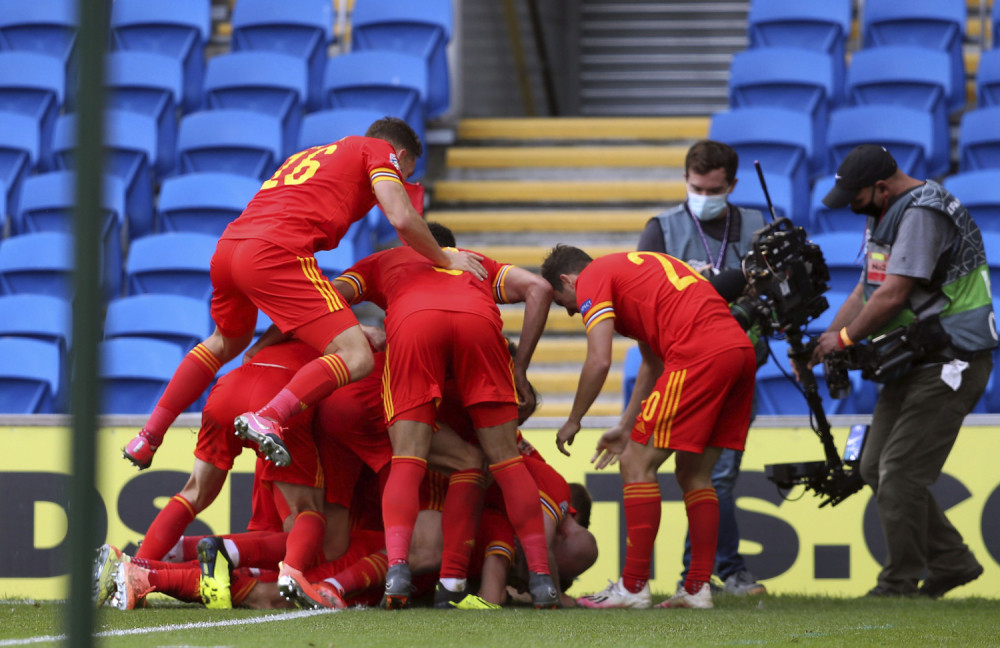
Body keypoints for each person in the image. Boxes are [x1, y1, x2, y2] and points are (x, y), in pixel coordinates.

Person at [122, 116, 485, 472]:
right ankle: (270, 417)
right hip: (275, 253)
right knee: (356, 356)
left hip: (230, 248)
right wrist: (445, 260)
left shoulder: (312, 155)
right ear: (402, 155)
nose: (406, 178)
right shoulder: (377, 150)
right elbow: (402, 218)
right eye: (407, 171)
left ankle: (148, 435)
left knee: (224, 342)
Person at [332, 224, 560, 609]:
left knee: (408, 459)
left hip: (415, 325)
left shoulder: (385, 259)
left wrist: (358, 330)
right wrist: (519, 369)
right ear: (450, 247)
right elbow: (541, 288)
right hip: (478, 324)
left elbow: (325, 295)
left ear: (412, 242)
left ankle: (399, 571)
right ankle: (542, 580)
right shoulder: (473, 260)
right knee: (506, 459)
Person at [810, 144, 995, 598]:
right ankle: (951, 562)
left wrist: (848, 340)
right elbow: (866, 288)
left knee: (900, 474)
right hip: (916, 357)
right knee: (875, 467)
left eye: (855, 198)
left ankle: (897, 582)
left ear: (880, 187)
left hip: (953, 359)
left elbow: (892, 296)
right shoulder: (888, 211)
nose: (852, 208)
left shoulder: (922, 215)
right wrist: (824, 344)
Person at [541, 245, 756, 609]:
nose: (574, 311)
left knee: (635, 463)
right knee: (695, 474)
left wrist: (574, 418)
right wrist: (625, 427)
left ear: (567, 279)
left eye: (568, 304)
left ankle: (633, 586)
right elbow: (652, 364)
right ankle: (697, 589)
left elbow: (599, 359)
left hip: (698, 354)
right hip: (738, 352)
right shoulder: (634, 273)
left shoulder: (593, 278)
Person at [637, 139, 767, 596]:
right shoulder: (662, 229)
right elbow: (645, 302)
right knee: (668, 469)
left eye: (713, 189)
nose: (703, 195)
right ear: (686, 181)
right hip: (680, 371)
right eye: (696, 187)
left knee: (721, 472)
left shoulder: (758, 227)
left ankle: (708, 574)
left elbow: (775, 292)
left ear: (731, 185)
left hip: (737, 369)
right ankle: (714, 573)